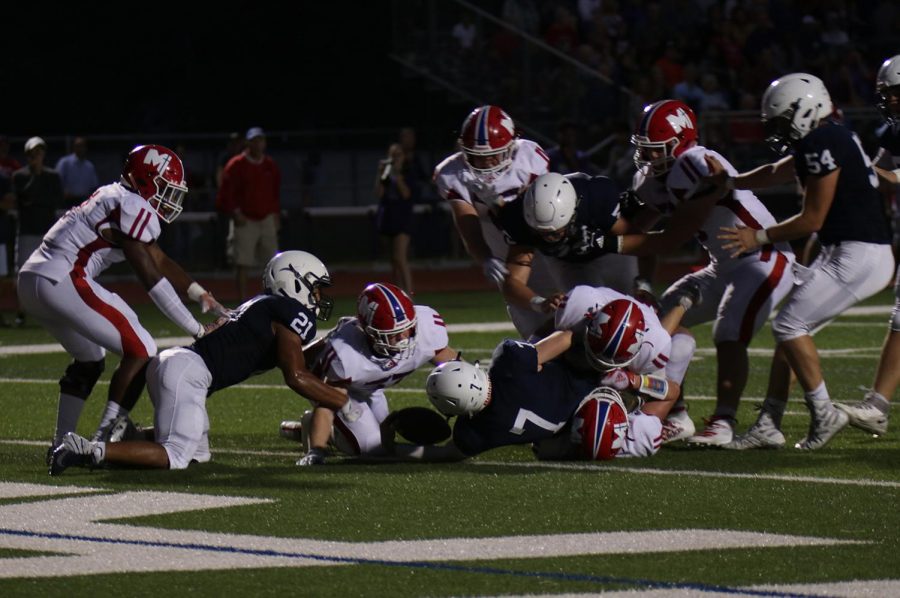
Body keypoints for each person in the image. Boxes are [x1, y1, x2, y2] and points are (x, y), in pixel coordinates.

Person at [708, 73, 894, 450]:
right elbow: (776, 171)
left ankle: (823, 413)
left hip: (859, 253)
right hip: (851, 249)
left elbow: (812, 219)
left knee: (790, 324)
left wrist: (756, 236)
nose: (778, 131)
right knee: (792, 334)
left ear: (803, 111)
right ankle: (769, 422)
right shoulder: (830, 135)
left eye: (780, 121)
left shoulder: (823, 141)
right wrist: (732, 182)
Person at [49, 251, 345, 474]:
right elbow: (295, 374)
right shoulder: (286, 310)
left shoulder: (263, 307)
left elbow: (292, 359)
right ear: (292, 281)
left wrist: (331, 343)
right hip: (187, 373)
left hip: (178, 366)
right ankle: (88, 451)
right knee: (176, 455)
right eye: (314, 288)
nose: (318, 297)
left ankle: (131, 436)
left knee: (198, 453)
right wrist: (344, 403)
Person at [17, 144, 226, 457]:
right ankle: (102, 440)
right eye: (165, 188)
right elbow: (150, 279)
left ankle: (61, 443)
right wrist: (196, 329)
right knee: (142, 348)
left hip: (32, 279)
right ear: (143, 180)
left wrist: (199, 293)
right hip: (64, 277)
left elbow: (158, 258)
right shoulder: (132, 205)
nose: (169, 198)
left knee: (90, 359)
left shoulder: (116, 196)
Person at [612, 99, 796, 446]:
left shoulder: (696, 163)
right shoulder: (651, 178)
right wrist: (643, 282)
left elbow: (672, 237)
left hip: (761, 256)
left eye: (657, 150)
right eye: (645, 150)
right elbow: (640, 226)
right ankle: (677, 415)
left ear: (681, 141)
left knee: (729, 330)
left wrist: (613, 245)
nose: (649, 158)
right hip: (722, 264)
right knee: (657, 321)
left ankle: (724, 422)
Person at [290, 282, 459, 465]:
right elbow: (329, 401)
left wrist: (477, 387)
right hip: (331, 387)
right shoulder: (346, 355)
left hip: (371, 387)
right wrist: (317, 449)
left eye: (407, 329)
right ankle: (320, 429)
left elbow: (453, 365)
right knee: (370, 447)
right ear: (370, 333)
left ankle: (334, 431)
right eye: (393, 334)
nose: (404, 338)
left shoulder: (426, 329)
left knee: (384, 438)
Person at [433, 105, 556, 338]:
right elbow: (466, 221)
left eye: (492, 156)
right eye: (478, 156)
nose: (486, 163)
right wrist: (485, 257)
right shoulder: (452, 173)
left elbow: (540, 206)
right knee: (526, 313)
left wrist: (501, 206)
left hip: (537, 236)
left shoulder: (529, 158)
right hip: (497, 241)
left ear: (510, 147)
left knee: (560, 297)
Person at [834, 55, 900, 436]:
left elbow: (890, 177)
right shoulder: (893, 133)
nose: (888, 101)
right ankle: (878, 405)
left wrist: (854, 162)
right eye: (886, 94)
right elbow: (877, 175)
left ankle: (878, 406)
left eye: (894, 94)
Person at [492, 171, 640, 319]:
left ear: (573, 212)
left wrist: (602, 242)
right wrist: (540, 302)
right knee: (583, 317)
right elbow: (512, 282)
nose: (549, 238)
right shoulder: (517, 216)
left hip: (611, 254)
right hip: (568, 263)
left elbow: (639, 239)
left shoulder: (594, 197)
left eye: (555, 232)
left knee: (633, 309)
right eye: (540, 233)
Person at [217, 126, 281, 299]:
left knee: (272, 263)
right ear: (248, 143)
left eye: (260, 140)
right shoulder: (236, 165)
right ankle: (242, 302)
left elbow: (275, 191)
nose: (258, 144)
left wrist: (275, 214)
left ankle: (271, 299)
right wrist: (235, 213)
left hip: (265, 217)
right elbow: (226, 192)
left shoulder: (270, 165)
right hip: (245, 219)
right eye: (254, 141)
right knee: (242, 263)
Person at [11, 137, 64, 327]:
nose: (37, 156)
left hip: (47, 232)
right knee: (23, 274)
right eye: (33, 153)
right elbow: (23, 199)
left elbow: (55, 201)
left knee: (51, 272)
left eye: (40, 152)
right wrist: (35, 175)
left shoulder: (53, 176)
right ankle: (21, 312)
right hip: (27, 231)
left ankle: (52, 311)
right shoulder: (20, 176)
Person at [375, 143, 414, 293]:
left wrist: (397, 175)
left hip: (402, 218)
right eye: (392, 155)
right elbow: (378, 193)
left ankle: (410, 294)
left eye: (398, 154)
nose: (395, 158)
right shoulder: (386, 174)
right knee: (393, 260)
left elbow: (406, 194)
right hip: (388, 218)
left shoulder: (408, 171)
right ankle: (399, 293)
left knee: (400, 257)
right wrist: (380, 174)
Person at [55, 136, 99, 207]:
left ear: (85, 148)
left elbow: (94, 186)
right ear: (74, 147)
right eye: (78, 146)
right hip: (67, 202)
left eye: (82, 146)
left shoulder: (89, 166)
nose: (80, 149)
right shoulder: (64, 163)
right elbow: (56, 181)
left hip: (84, 202)